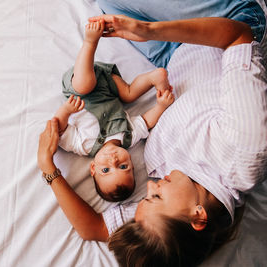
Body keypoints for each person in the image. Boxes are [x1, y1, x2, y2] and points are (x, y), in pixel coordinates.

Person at [37, 0, 267, 266]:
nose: (149, 185)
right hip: (222, 25)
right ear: (198, 216)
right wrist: (149, 30)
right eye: (155, 196)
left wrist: (48, 167)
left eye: (147, 196)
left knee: (104, 3)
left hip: (169, 55)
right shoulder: (244, 154)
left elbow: (93, 228)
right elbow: (238, 35)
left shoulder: (167, 210)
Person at [55, 19, 174, 202]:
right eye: (123, 166)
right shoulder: (129, 137)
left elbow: (59, 131)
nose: (114, 161)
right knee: (128, 94)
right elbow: (146, 121)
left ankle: (90, 42)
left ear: (93, 168)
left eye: (106, 170)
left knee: (84, 85)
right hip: (108, 83)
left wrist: (66, 110)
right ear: (132, 164)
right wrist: (161, 106)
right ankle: (154, 77)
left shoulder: (84, 146)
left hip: (80, 84)